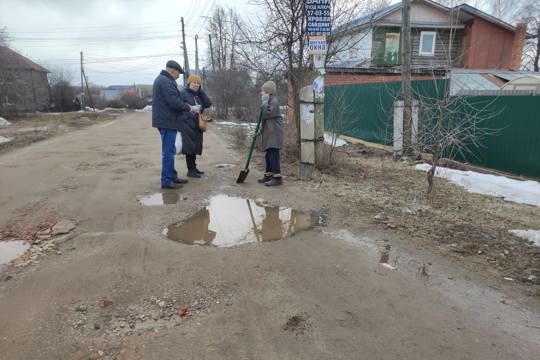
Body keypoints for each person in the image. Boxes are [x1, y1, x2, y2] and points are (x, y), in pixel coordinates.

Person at [151, 60, 195, 189]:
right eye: (178, 73)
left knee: (170, 150)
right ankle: (166, 181)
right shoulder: (165, 81)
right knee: (168, 153)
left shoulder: (163, 80)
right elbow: (174, 102)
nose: (179, 76)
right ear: (173, 70)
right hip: (167, 121)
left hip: (166, 120)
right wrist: (188, 107)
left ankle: (172, 176)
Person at [179, 74, 212, 178]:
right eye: (194, 82)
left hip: (197, 123)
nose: (196, 85)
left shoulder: (198, 94)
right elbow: (179, 106)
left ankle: (194, 167)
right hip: (187, 122)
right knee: (189, 146)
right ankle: (190, 170)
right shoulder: (183, 93)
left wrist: (201, 91)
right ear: (189, 83)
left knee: (195, 145)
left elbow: (208, 103)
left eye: (198, 83)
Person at [257, 80, 283, 186]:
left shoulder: (274, 102)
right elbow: (264, 118)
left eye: (262, 91)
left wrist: (264, 104)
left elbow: (267, 114)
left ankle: (277, 177)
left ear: (268, 92)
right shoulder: (268, 101)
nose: (261, 93)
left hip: (274, 132)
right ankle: (269, 174)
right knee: (268, 154)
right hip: (269, 131)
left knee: (273, 154)